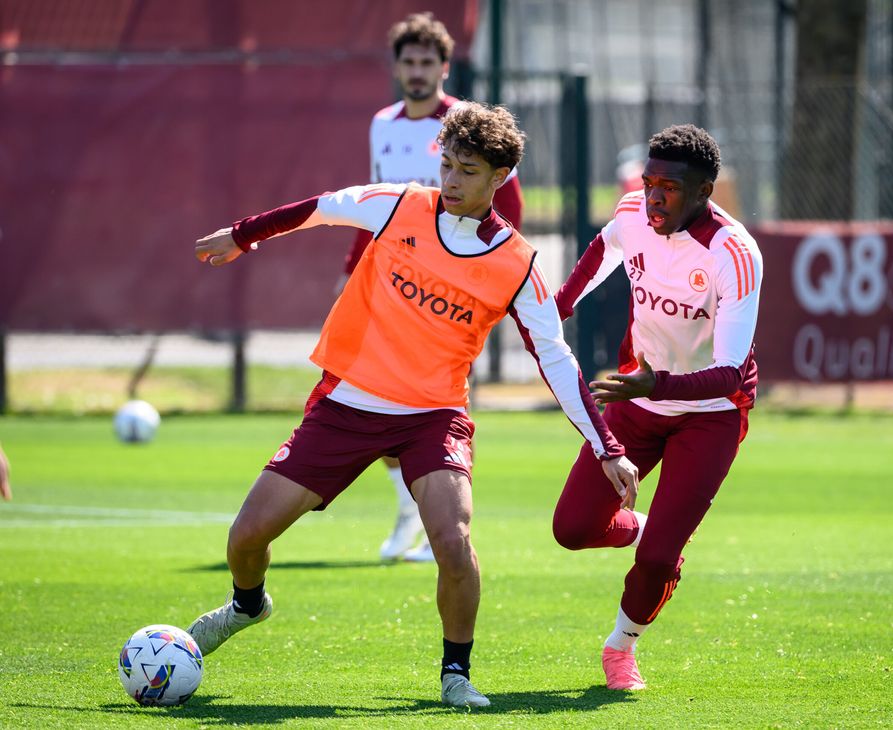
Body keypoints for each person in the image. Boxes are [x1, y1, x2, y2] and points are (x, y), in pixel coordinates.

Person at [190, 102, 638, 708]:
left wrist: (605, 446)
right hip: (347, 404)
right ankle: (247, 604)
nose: (451, 181)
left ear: (500, 178)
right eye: (447, 165)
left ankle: (456, 674)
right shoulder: (401, 204)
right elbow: (323, 208)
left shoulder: (517, 264)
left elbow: (555, 358)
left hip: (434, 417)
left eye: (468, 171)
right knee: (246, 538)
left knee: (452, 543)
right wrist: (244, 236)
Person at [551, 125, 762, 691]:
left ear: (704, 192)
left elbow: (731, 372)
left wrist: (654, 385)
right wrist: (561, 304)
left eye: (668, 187)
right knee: (571, 529)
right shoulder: (633, 213)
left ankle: (621, 648)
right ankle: (645, 527)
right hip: (639, 397)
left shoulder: (735, 254)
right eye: (648, 183)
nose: (652, 198)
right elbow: (606, 247)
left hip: (710, 412)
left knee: (660, 558)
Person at [338, 12, 525, 564]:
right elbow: (375, 207)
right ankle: (409, 512)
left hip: (450, 290)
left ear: (444, 66)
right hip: (388, 284)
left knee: (438, 404)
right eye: (408, 61)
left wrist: (499, 275)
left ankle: (448, 525)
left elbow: (506, 204)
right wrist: (352, 273)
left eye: (428, 61)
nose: (417, 71)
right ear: (397, 67)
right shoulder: (382, 123)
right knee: (372, 392)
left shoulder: (466, 124)